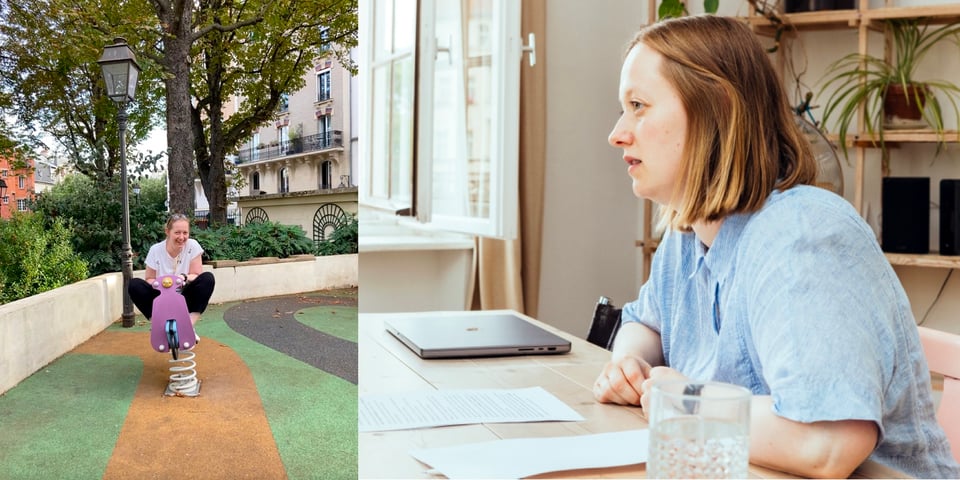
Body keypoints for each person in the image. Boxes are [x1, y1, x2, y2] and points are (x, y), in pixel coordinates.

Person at [593, 14, 958, 479]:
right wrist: (630, 362)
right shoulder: (687, 235)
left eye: (639, 105)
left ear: (717, 107)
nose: (617, 132)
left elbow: (829, 446)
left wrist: (689, 400)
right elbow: (646, 323)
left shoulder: (802, 237)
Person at [129, 213, 216, 329]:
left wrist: (183, 277)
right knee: (134, 285)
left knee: (208, 278)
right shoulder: (155, 250)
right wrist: (160, 284)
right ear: (167, 232)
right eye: (177, 232)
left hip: (184, 295)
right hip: (161, 296)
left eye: (185, 233)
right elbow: (149, 278)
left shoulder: (193, 246)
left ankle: (188, 326)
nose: (181, 237)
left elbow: (196, 274)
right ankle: (158, 324)